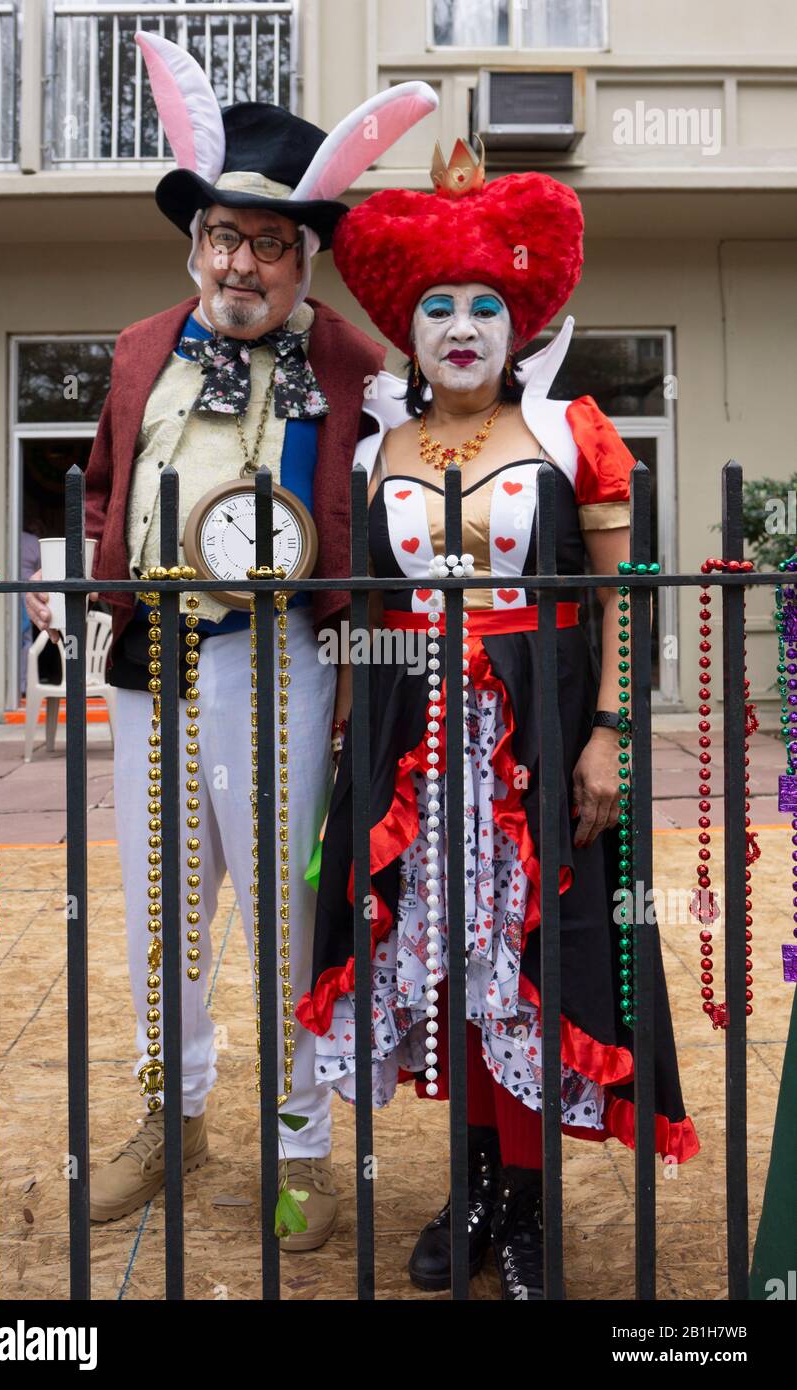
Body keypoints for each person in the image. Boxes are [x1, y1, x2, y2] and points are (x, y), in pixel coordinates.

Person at [24, 30, 436, 1247]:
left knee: (282, 912)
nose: (239, 262)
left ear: (303, 255)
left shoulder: (354, 359)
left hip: (285, 662)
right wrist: (104, 582)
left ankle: (304, 1141)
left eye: (266, 241)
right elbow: (105, 482)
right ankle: (175, 1116)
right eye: (220, 236)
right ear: (193, 244)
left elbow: (383, 515)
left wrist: (366, 665)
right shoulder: (143, 347)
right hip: (155, 656)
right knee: (162, 909)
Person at [296, 137, 700, 1294]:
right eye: (436, 307)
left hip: (533, 732)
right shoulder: (379, 447)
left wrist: (608, 728)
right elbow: (367, 608)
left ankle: (525, 1206)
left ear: (514, 325)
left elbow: (614, 593)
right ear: (408, 332)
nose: (461, 325)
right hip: (411, 749)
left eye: (483, 304)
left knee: (531, 961)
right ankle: (470, 1182)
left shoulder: (572, 432)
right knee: (439, 964)